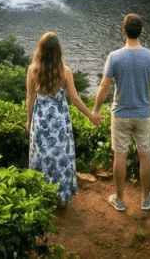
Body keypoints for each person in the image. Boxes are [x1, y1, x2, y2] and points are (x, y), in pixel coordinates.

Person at [93, 13, 150, 212]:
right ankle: (146, 198)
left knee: (120, 156)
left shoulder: (114, 57)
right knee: (145, 156)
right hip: (144, 114)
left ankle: (120, 199)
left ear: (123, 32)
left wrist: (96, 110)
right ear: (141, 31)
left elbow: (104, 87)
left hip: (121, 114)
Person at [26, 32, 101, 206]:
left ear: (40, 49)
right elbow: (74, 99)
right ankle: (61, 198)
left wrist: (29, 121)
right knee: (61, 158)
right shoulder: (65, 71)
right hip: (60, 123)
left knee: (42, 157)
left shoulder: (33, 70)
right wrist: (91, 115)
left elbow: (30, 98)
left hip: (41, 120)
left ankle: (42, 196)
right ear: (58, 51)